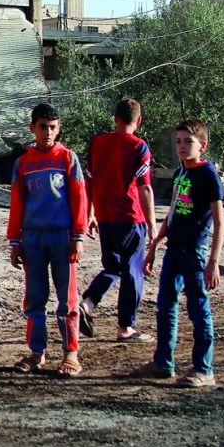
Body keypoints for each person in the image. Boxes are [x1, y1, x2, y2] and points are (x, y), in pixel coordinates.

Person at [131, 118, 224, 388]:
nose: (182, 147)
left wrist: (213, 262)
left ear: (202, 145)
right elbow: (172, 212)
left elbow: (219, 221)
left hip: (195, 252)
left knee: (198, 309)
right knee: (166, 307)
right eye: (179, 141)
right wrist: (155, 246)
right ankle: (163, 363)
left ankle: (204, 369)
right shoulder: (180, 173)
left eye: (188, 141)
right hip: (173, 250)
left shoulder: (208, 176)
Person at [7, 102, 88, 377]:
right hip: (32, 239)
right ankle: (36, 353)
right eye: (43, 127)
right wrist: (15, 241)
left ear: (59, 128)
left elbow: (79, 198)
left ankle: (71, 353)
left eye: (53, 127)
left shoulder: (68, 158)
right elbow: (17, 202)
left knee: (67, 299)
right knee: (34, 298)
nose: (48, 132)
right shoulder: (23, 162)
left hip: (63, 237)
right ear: (33, 128)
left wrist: (79, 235)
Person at [79, 98, 157, 342]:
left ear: (115, 118)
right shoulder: (139, 147)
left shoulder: (97, 143)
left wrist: (89, 212)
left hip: (104, 216)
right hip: (130, 217)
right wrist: (152, 223)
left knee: (112, 267)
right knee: (133, 270)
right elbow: (144, 188)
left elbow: (88, 178)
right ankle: (126, 327)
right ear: (139, 121)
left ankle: (88, 302)